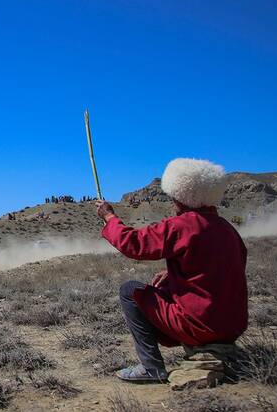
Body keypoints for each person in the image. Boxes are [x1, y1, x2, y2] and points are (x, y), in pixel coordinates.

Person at [95, 158, 248, 383]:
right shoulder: (227, 229)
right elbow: (221, 268)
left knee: (130, 291)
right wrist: (173, 273)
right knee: (163, 287)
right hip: (232, 326)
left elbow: (134, 244)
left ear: (180, 196)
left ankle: (151, 367)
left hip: (200, 325)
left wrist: (109, 217)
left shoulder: (182, 225)